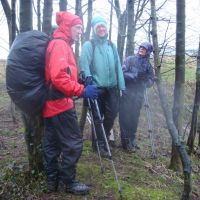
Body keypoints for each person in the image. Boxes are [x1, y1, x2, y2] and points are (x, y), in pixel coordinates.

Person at [42, 11, 98, 195]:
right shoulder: (60, 45)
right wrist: (82, 90)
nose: (80, 31)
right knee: (74, 143)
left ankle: (52, 182)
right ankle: (68, 182)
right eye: (77, 27)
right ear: (67, 27)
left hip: (50, 105)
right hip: (60, 105)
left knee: (52, 144)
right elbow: (58, 78)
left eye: (81, 28)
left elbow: (62, 75)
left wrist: (79, 83)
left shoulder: (59, 44)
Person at [79, 16, 125, 157]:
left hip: (112, 87)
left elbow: (118, 65)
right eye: (98, 26)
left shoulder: (111, 45)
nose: (101, 28)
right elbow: (84, 64)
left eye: (103, 26)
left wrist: (121, 86)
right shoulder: (89, 45)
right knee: (97, 118)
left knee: (111, 115)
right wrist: (89, 81)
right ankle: (100, 145)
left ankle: (102, 140)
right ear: (94, 29)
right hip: (96, 88)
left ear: (106, 28)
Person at [119, 42, 154, 153]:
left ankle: (132, 140)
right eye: (141, 48)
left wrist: (145, 81)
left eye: (144, 49)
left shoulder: (148, 66)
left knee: (134, 118)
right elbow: (122, 73)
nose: (142, 49)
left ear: (148, 52)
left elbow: (151, 81)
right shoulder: (130, 60)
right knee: (125, 118)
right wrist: (135, 76)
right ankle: (125, 143)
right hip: (127, 93)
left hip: (138, 95)